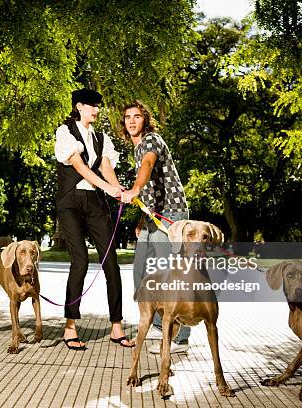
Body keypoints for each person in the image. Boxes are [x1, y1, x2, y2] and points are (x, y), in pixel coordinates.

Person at [55, 89, 134, 350]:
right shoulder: (65, 132)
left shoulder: (101, 138)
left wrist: (119, 190)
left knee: (111, 262)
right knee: (80, 260)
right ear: (79, 106)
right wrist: (107, 188)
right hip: (71, 202)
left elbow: (106, 167)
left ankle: (116, 327)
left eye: (98, 106)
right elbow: (79, 166)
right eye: (92, 106)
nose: (97, 110)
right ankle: (70, 326)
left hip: (95, 205)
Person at [119, 100, 191, 354]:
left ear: (145, 120)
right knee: (141, 274)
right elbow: (150, 189)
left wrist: (134, 189)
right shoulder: (136, 149)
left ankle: (179, 338)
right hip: (153, 217)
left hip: (170, 215)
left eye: (136, 116)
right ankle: (163, 327)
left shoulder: (151, 141)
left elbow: (148, 167)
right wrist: (141, 219)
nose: (131, 121)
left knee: (168, 276)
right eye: (127, 117)